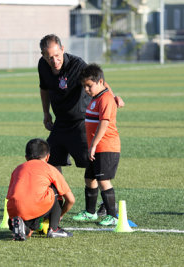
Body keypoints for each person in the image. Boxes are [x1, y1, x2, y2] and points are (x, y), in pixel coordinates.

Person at [38, 34, 124, 215]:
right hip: (60, 123)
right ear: (43, 56)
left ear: (62, 49)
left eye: (57, 56)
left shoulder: (77, 65)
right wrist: (46, 113)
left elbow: (98, 80)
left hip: (81, 122)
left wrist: (112, 96)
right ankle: (57, 199)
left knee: (91, 164)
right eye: (49, 57)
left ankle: (106, 204)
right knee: (50, 160)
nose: (54, 61)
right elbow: (44, 88)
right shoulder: (42, 66)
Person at [72, 63, 121, 226]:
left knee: (103, 180)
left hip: (106, 146)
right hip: (97, 147)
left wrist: (93, 145)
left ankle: (113, 215)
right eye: (84, 86)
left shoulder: (105, 98)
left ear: (100, 82)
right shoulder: (97, 97)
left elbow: (104, 123)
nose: (86, 89)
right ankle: (90, 213)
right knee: (89, 178)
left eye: (89, 86)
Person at [6, 138, 75, 240]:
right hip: (37, 208)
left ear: (26, 157)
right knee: (55, 189)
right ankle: (54, 229)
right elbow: (71, 200)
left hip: (14, 212)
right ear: (47, 157)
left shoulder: (18, 169)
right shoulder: (51, 169)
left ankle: (24, 228)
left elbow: (10, 195)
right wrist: (59, 216)